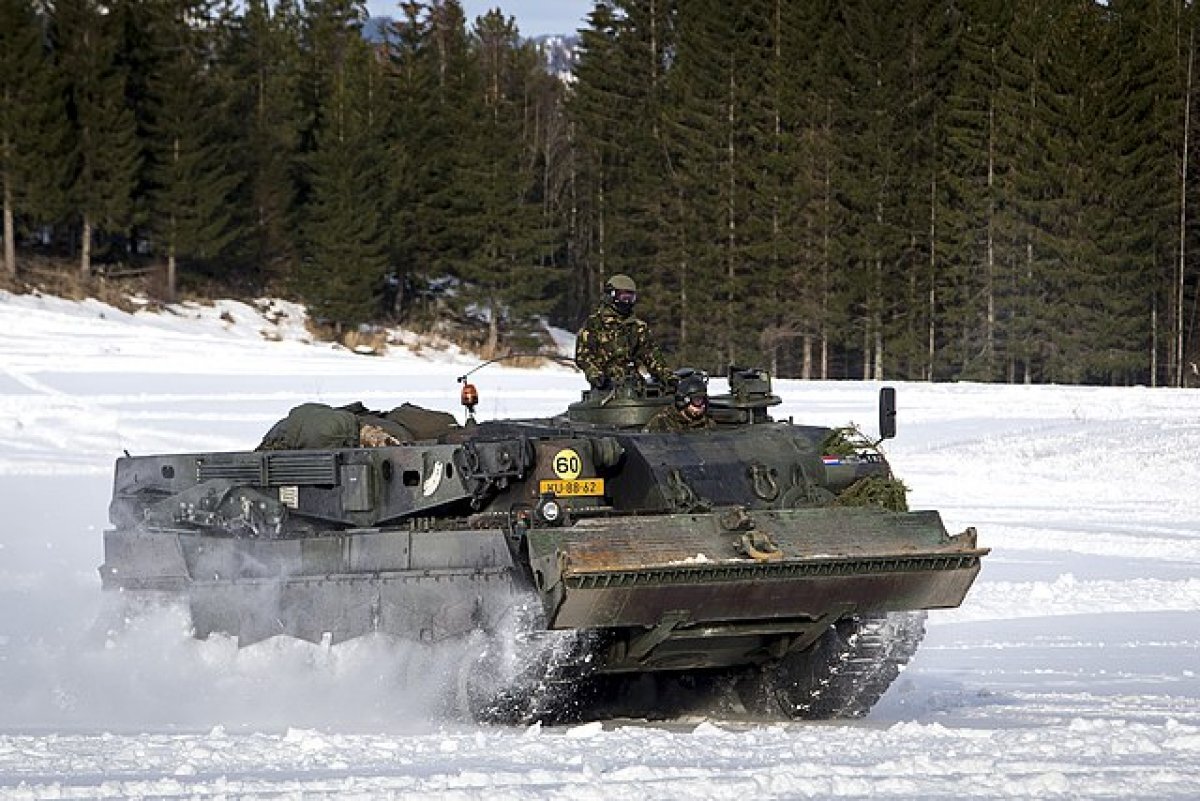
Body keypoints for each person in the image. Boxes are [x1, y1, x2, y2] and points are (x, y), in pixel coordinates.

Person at [575, 274, 674, 390]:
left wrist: (667, 376)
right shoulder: (594, 325)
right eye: (623, 297)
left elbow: (651, 355)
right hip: (605, 388)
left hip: (634, 387)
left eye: (630, 298)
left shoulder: (638, 327)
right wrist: (594, 373)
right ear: (611, 296)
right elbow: (583, 356)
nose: (627, 302)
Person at [645, 374, 715, 433]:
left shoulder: (707, 423)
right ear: (683, 402)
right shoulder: (663, 422)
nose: (703, 405)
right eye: (697, 401)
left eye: (704, 400)